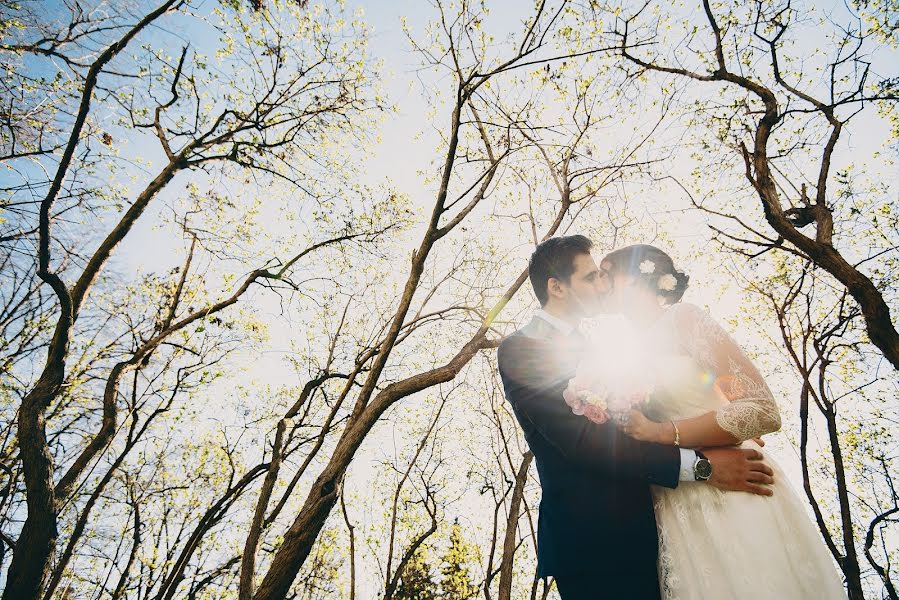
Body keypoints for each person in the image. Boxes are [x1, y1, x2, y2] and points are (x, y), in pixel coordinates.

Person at [496, 235, 777, 600]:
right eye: (591, 277)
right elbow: (584, 443)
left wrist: (723, 427)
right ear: (557, 287)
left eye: (604, 276)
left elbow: (644, 420)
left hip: (659, 527)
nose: (602, 285)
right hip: (595, 543)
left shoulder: (601, 350)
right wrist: (703, 465)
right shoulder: (522, 348)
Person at [599, 243, 847, 600]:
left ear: (640, 274)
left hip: (735, 489)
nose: (600, 281)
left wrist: (665, 431)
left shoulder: (683, 319)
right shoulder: (615, 353)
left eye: (609, 272)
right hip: (673, 504)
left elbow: (761, 409)